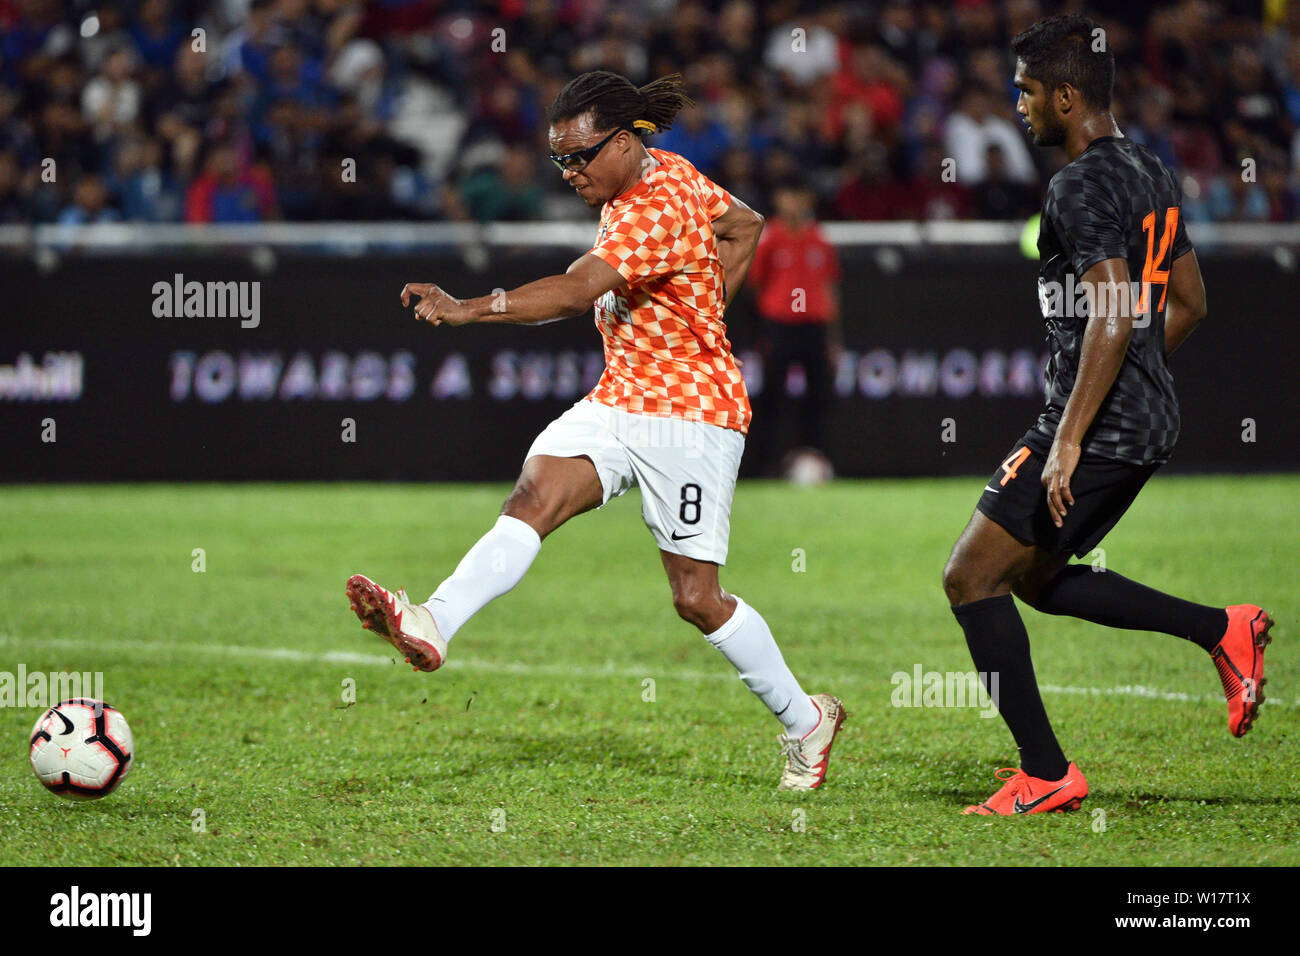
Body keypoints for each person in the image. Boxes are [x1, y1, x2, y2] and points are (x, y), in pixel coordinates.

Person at [346, 71, 845, 791]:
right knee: (533, 497)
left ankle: (807, 720)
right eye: (560, 160)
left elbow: (577, 292)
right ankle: (433, 620)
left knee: (696, 599)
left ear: (624, 141)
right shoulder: (663, 174)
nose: (570, 172)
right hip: (621, 396)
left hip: (691, 412)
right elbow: (744, 224)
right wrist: (709, 302)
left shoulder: (657, 202)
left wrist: (466, 308)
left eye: (581, 156)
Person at [941, 15, 1274, 816]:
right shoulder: (1151, 173)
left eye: (1026, 91)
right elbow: (1188, 301)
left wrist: (1070, 437)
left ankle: (1048, 772)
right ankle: (1222, 629)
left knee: (971, 576)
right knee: (1038, 578)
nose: (1019, 106)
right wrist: (1142, 375)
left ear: (1065, 95)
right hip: (1145, 417)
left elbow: (1114, 311)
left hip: (1099, 421)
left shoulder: (1079, 183)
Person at [747, 181, 842, 474]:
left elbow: (829, 286)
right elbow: (754, 282)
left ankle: (817, 464)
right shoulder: (770, 237)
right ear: (779, 198)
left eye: (799, 195)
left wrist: (833, 339)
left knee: (818, 398)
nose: (794, 203)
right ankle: (766, 465)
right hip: (779, 325)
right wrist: (769, 317)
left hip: (814, 325)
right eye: (788, 195)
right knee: (773, 397)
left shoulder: (819, 240)